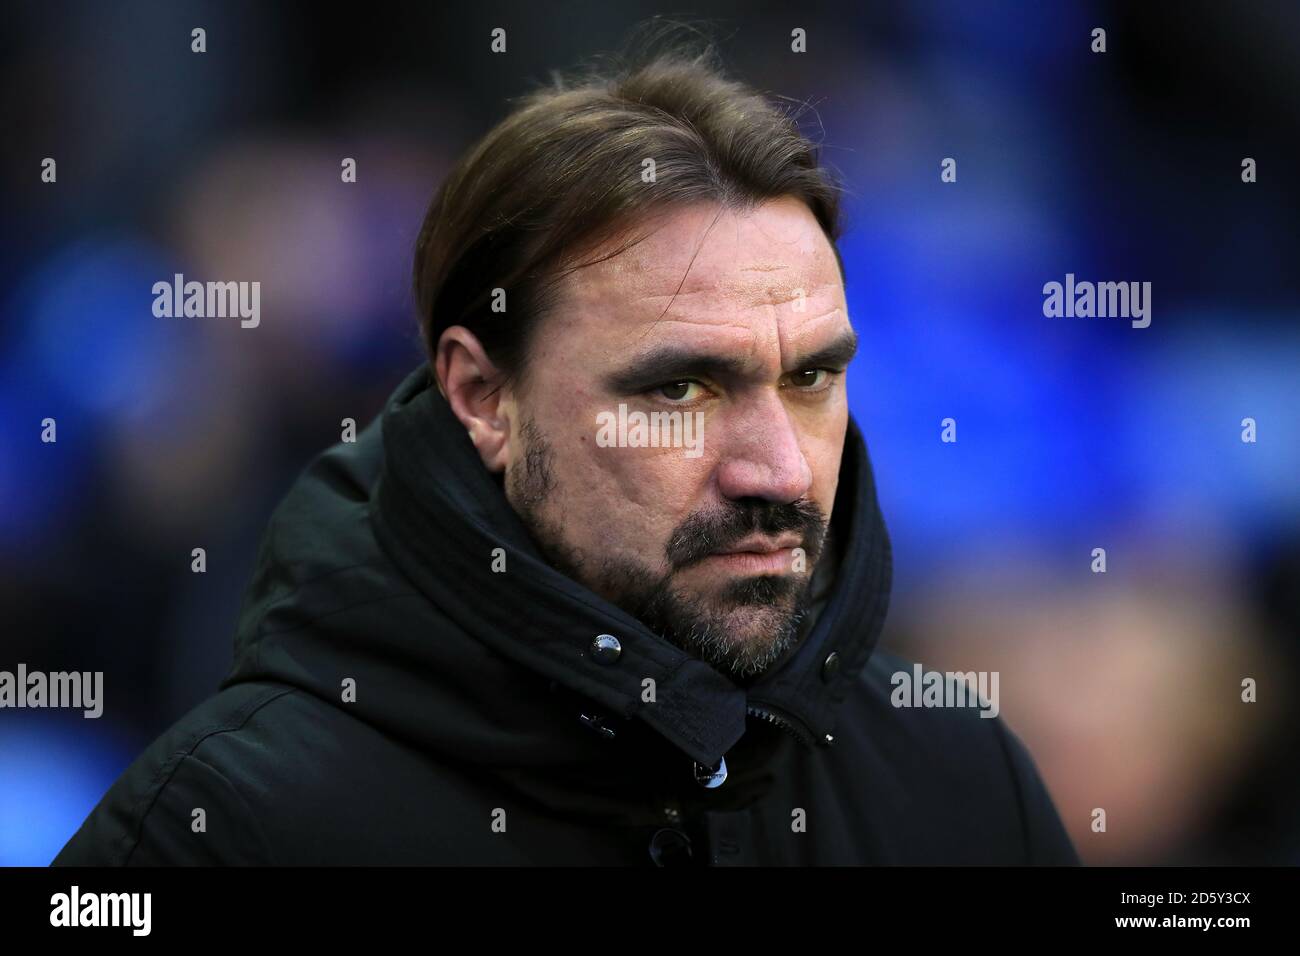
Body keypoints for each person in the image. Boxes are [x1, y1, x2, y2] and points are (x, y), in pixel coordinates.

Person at [53, 35, 1079, 866]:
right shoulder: (223, 826)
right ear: (481, 397)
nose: (778, 469)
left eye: (809, 377)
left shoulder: (959, 777)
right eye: (678, 387)